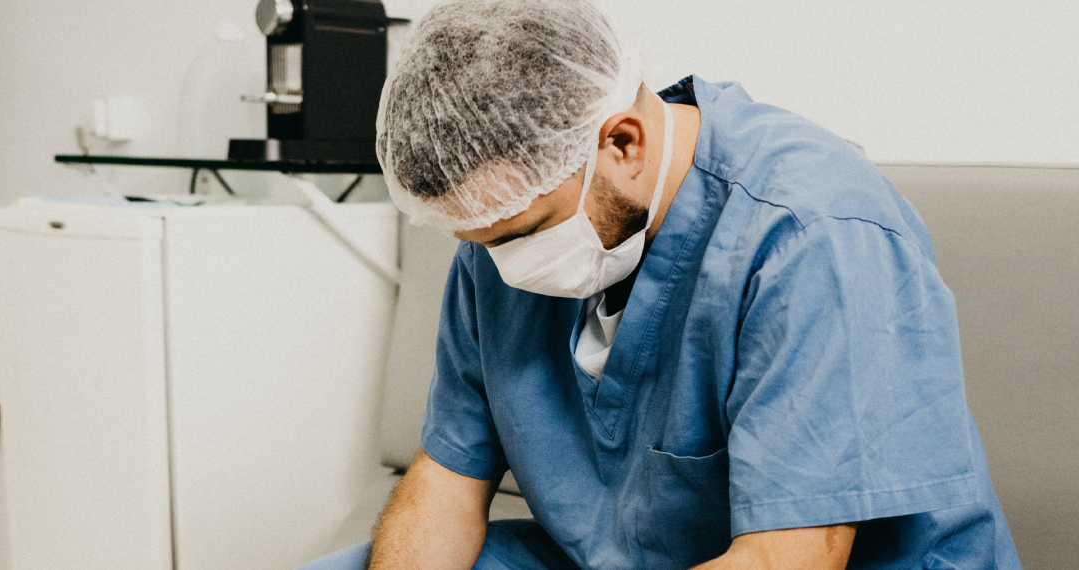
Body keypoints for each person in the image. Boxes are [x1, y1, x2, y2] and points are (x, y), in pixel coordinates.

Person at [299, 0, 1022, 568]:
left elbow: (789, 558)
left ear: (623, 143)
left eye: (523, 235)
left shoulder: (812, 234)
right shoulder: (501, 232)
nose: (506, 266)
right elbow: (449, 478)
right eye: (481, 243)